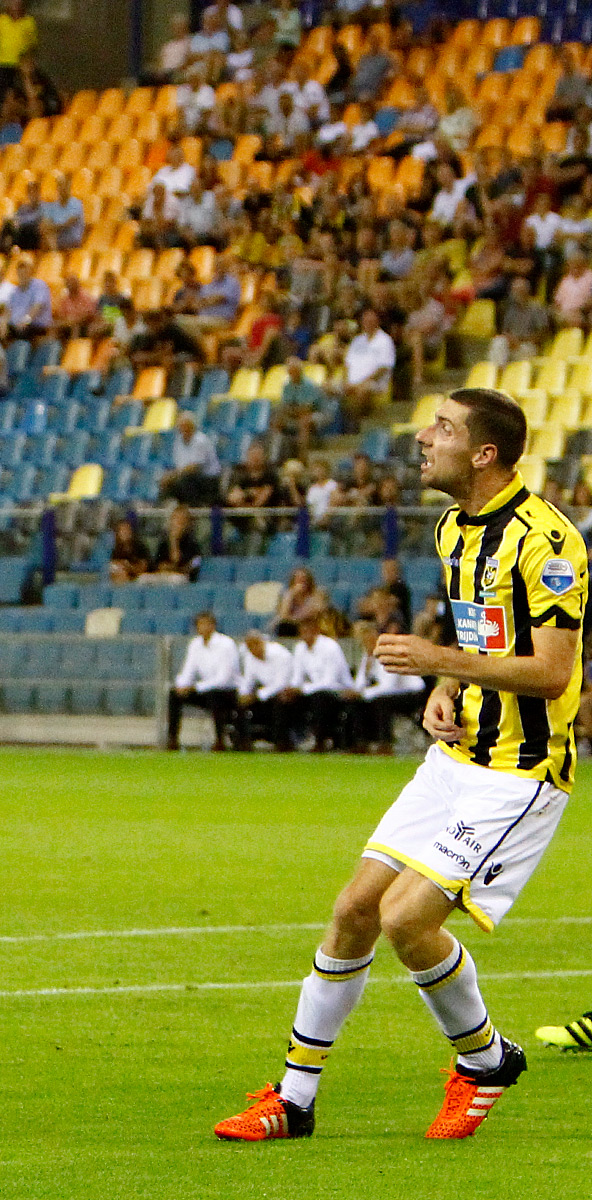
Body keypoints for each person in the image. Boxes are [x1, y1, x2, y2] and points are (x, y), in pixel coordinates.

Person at [218, 387, 586, 1142]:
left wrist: (437, 660)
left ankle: (483, 1061)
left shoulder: (549, 543)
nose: (424, 438)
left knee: (406, 921)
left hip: (518, 773)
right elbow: (482, 637)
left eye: (443, 428)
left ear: (484, 453)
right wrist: (447, 687)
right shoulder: (454, 528)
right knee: (355, 909)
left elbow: (553, 673)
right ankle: (294, 1099)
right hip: (456, 757)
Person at [344, 619, 425, 754]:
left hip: (412, 693)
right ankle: (360, 742)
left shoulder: (390, 654)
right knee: (357, 703)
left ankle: (385, 743)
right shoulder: (368, 657)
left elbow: (388, 686)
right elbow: (360, 685)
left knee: (382, 703)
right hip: (389, 693)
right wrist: (365, 674)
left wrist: (363, 693)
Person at [277, 613, 352, 751]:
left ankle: (320, 741)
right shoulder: (299, 648)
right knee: (285, 699)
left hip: (337, 691)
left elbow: (329, 682)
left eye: (308, 630)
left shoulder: (330, 647)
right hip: (313, 691)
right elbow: (297, 678)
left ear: (316, 630)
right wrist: (292, 689)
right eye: (302, 630)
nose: (305, 634)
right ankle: (285, 741)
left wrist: (302, 689)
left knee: (320, 699)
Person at [167, 612, 239, 751]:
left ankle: (220, 741)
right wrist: (182, 686)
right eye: (200, 624)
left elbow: (223, 678)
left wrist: (196, 687)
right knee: (174, 695)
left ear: (213, 625)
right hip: (205, 689)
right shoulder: (195, 644)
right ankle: (172, 739)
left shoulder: (226, 644)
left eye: (207, 624)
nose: (204, 627)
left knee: (215, 696)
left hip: (227, 691)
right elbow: (188, 670)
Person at [235, 628, 293, 750]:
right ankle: (243, 742)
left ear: (262, 642)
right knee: (240, 704)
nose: (253, 649)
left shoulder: (280, 654)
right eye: (249, 647)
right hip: (264, 693)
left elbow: (281, 683)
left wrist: (256, 696)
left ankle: (282, 742)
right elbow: (248, 680)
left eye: (255, 644)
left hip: (285, 692)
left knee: (280, 701)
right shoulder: (250, 657)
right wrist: (244, 694)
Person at [161, 413, 221, 505]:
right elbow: (180, 466)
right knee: (166, 482)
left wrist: (174, 475)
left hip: (208, 479)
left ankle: (193, 507)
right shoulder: (178, 442)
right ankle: (167, 507)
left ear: (192, 426)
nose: (182, 429)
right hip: (188, 477)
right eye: (180, 427)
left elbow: (194, 468)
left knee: (187, 479)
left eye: (185, 426)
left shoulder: (200, 440)